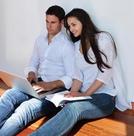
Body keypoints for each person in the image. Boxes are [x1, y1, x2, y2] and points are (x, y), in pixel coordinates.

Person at [29, 8, 129, 136]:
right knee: (55, 103)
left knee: (73, 108)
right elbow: (78, 76)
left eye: (74, 24)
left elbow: (105, 74)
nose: (71, 29)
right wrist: (71, 94)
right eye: (69, 26)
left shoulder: (103, 39)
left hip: (104, 97)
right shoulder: (76, 46)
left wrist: (84, 94)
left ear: (84, 22)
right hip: (84, 95)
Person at [0, 5, 76, 136]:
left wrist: (49, 85)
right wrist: (31, 74)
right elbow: (33, 63)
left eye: (53, 22)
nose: (49, 26)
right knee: (8, 96)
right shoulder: (39, 40)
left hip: (55, 91)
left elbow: (71, 77)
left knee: (24, 110)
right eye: (47, 21)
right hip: (37, 84)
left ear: (62, 23)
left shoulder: (66, 45)